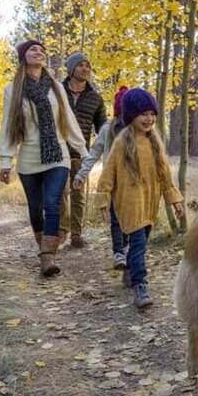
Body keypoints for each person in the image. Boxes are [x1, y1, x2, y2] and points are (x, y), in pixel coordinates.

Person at [0, 40, 87, 277]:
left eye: (41, 50)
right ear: (23, 58)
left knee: (52, 203)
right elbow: (7, 126)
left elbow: (69, 120)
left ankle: (48, 258)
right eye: (32, 50)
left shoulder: (56, 87)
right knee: (36, 209)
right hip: (28, 155)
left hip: (58, 154)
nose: (39, 52)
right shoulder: (12, 89)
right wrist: (5, 161)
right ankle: (44, 246)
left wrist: (84, 151)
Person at [96, 88, 184, 309]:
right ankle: (140, 285)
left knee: (140, 242)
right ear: (131, 116)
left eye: (152, 114)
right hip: (129, 202)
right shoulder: (122, 142)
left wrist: (175, 200)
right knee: (138, 245)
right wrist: (103, 199)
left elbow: (165, 175)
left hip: (150, 203)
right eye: (143, 114)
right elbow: (108, 174)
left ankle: (129, 270)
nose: (149, 119)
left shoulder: (155, 142)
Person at [72, 85, 129, 270]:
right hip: (112, 184)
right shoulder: (107, 130)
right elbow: (94, 154)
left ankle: (128, 247)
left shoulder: (140, 131)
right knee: (116, 218)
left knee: (131, 217)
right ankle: (119, 252)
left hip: (135, 185)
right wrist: (81, 174)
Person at [60, 52, 106, 248]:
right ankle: (61, 232)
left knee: (78, 194)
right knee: (59, 194)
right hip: (57, 152)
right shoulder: (57, 92)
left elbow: (102, 127)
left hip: (81, 154)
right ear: (71, 69)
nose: (85, 69)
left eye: (88, 66)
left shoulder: (95, 98)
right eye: (81, 65)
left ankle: (76, 234)